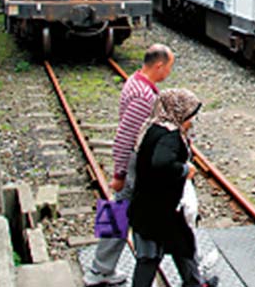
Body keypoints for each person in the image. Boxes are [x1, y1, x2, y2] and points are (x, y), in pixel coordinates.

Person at [84, 45, 174, 287]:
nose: (169, 72)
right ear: (159, 66)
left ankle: (100, 267)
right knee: (120, 213)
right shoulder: (144, 97)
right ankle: (100, 270)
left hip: (133, 164)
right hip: (135, 167)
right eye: (169, 67)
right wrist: (119, 173)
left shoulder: (135, 82)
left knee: (117, 211)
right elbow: (124, 137)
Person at [128, 88, 219, 287]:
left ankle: (194, 283)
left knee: (181, 247)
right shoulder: (170, 137)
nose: (192, 121)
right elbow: (161, 163)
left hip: (149, 206)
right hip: (162, 209)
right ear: (180, 113)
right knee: (152, 257)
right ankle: (194, 283)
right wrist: (185, 169)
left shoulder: (151, 127)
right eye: (191, 116)